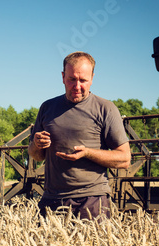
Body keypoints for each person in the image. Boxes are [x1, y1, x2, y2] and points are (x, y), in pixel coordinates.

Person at [29, 51, 131, 219]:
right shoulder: (47, 108)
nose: (77, 86)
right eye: (71, 79)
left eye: (83, 80)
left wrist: (88, 153)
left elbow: (125, 159)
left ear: (92, 78)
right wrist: (36, 145)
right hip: (52, 200)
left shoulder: (105, 109)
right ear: (63, 77)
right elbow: (36, 156)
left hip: (92, 201)